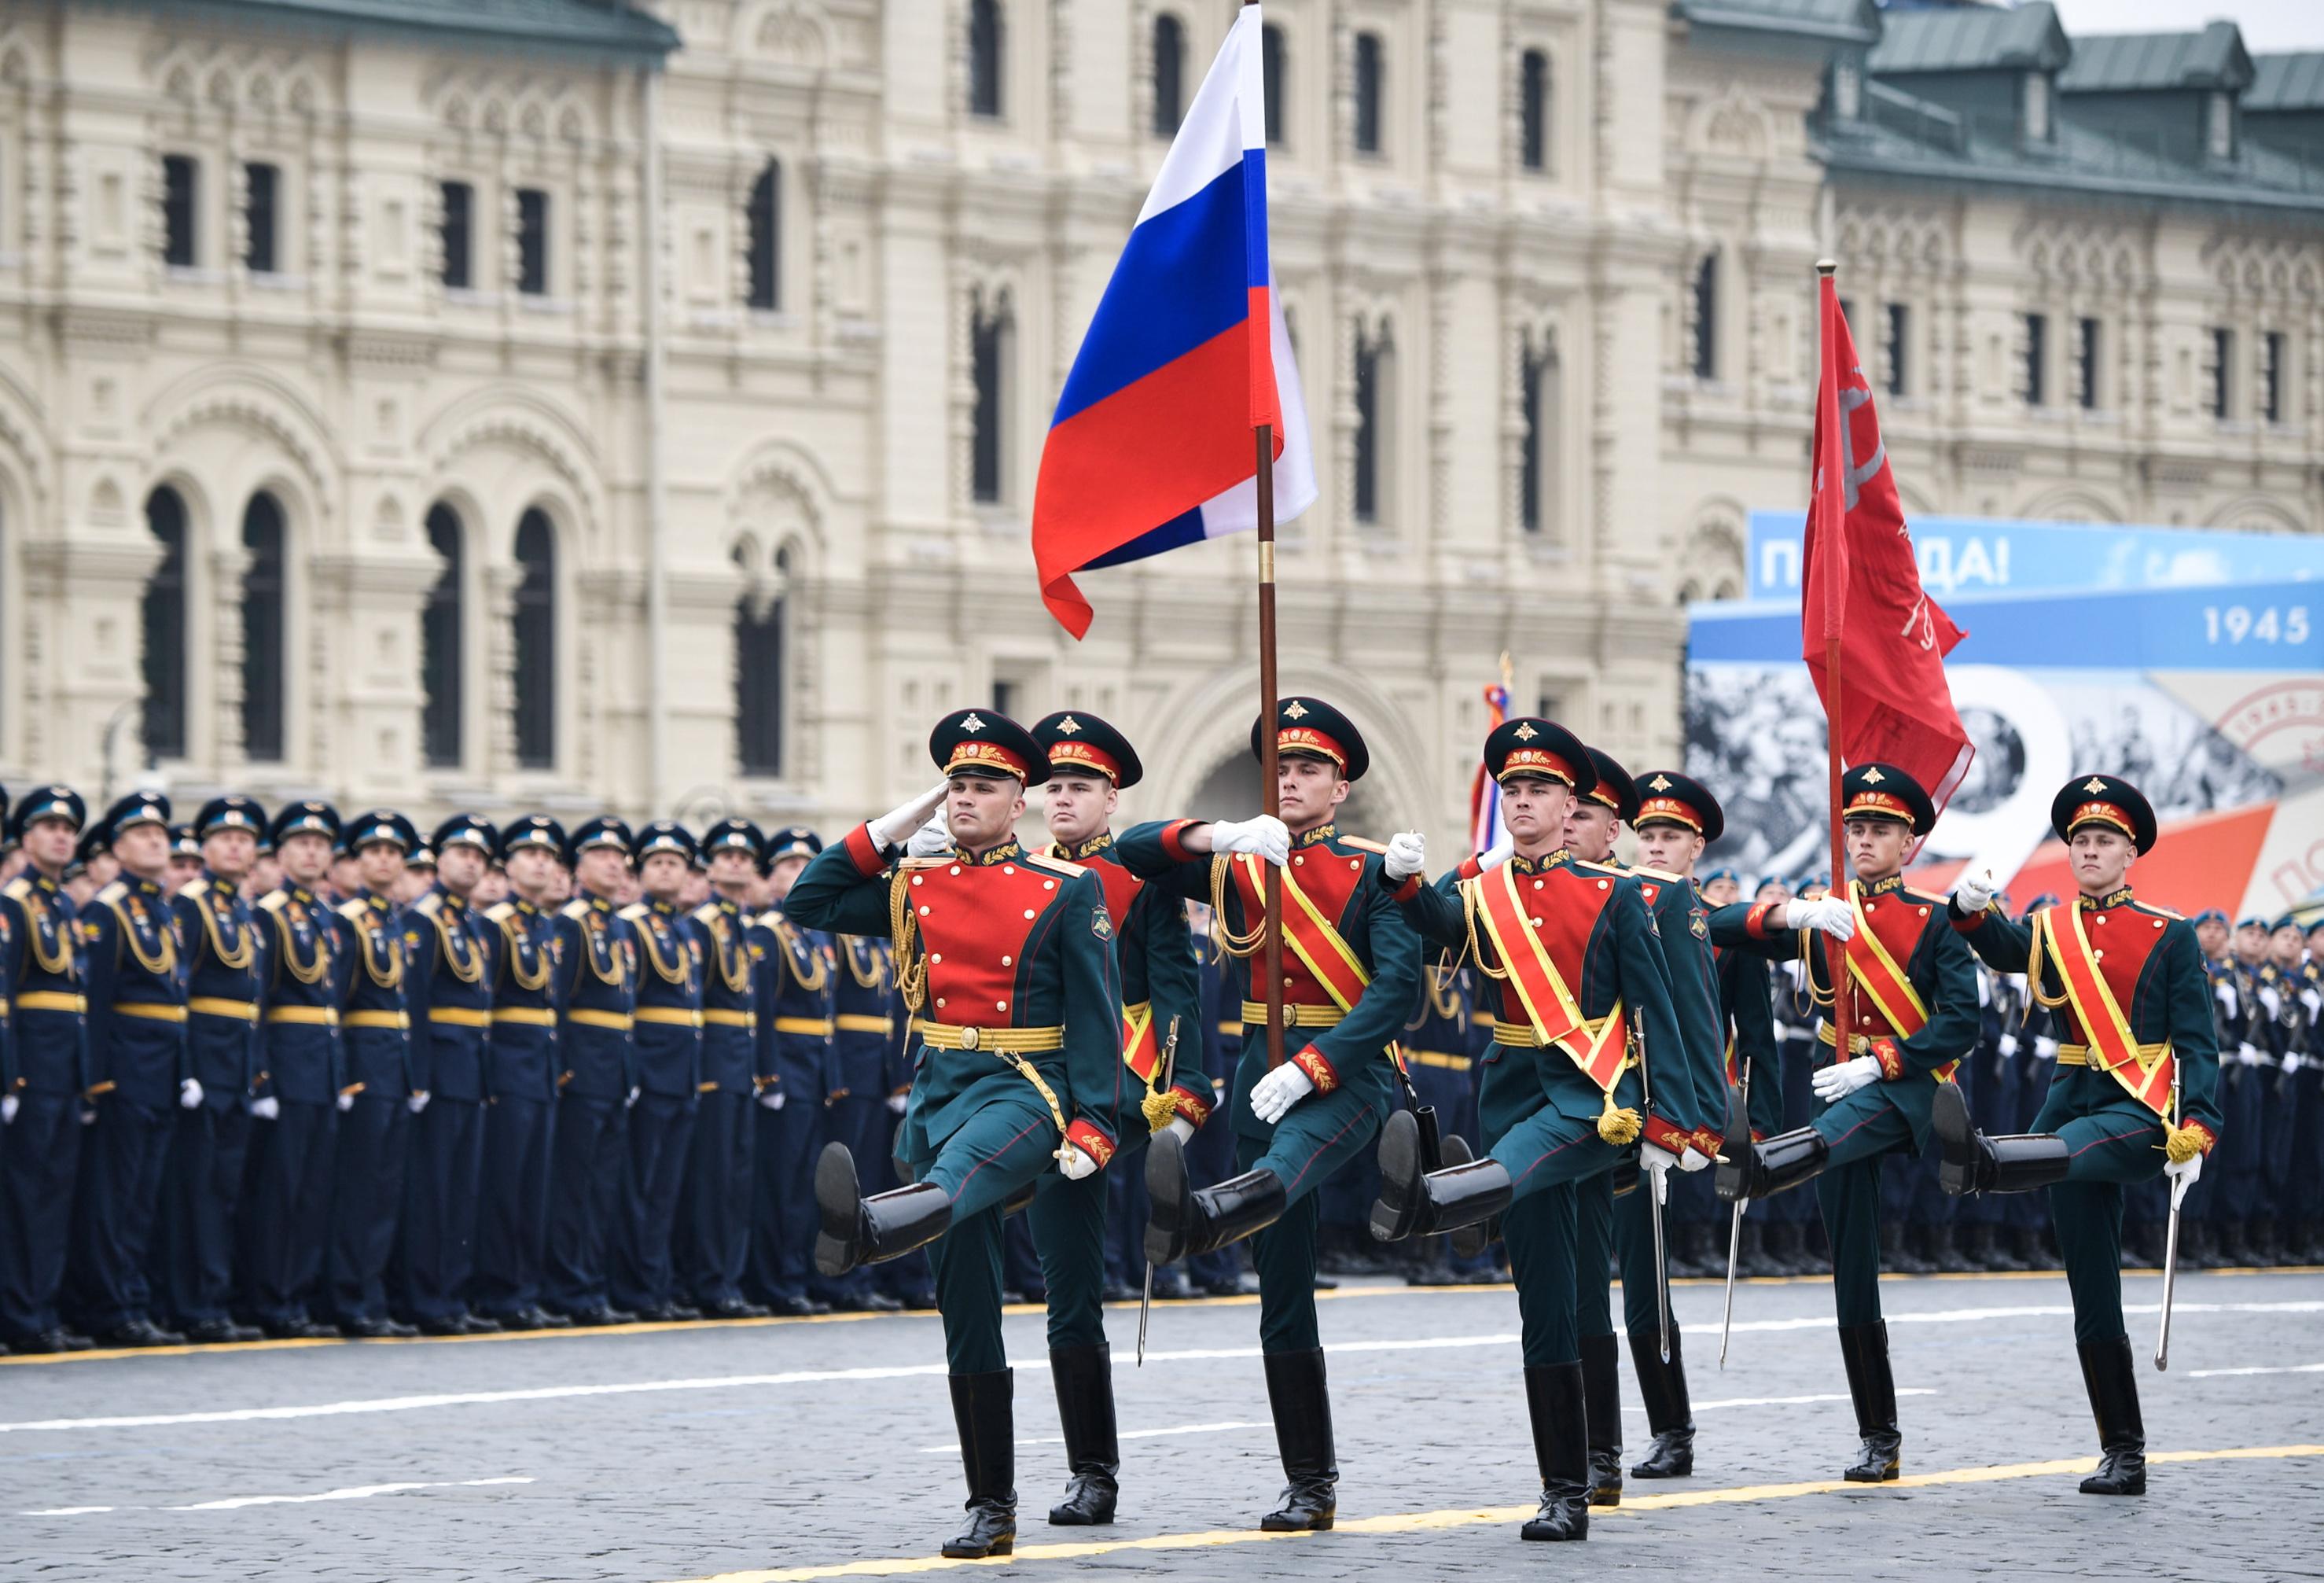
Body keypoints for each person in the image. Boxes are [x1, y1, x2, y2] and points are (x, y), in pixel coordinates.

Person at [789, 709, 1123, 1561]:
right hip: (941, 1089)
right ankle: (990, 1505)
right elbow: (812, 897)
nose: (967, 798)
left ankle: (867, 1230)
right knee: (964, 1308)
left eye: (985, 787)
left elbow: (1096, 1015)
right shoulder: (917, 885)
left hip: (1029, 1087)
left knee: (975, 1187)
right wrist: (903, 821)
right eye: (958, 785)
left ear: (1022, 803)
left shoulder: (1065, 888)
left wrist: (1095, 1120)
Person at [1364, 720, 1701, 1544]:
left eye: (1539, 790)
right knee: (1553, 1295)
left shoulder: (1616, 894)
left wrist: (1673, 1121)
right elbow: (1447, 930)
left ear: (1569, 804)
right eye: (1511, 790)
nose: (1522, 801)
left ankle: (1434, 1200)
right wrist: (1407, 887)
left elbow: (1664, 1010)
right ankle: (1578, 1476)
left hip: (1591, 1097)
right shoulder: (1482, 890)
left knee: (1518, 1168)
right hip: (1510, 1084)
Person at [1120, 696, 1421, 1535]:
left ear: (1341, 785)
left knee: (1279, 1173)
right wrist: (1222, 836)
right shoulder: (1242, 863)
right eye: (1281, 769)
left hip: (1345, 1073)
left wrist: (1315, 1065)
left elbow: (1396, 989)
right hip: (1261, 1069)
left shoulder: (1371, 870)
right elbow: (1130, 849)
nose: (1291, 781)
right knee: (1281, 1290)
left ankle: (1199, 1217)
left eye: (1309, 770)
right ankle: (1309, 1482)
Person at [1934, 776, 2221, 1496]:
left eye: (2104, 841)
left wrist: (2200, 1127)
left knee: (2077, 1147)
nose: (2090, 850)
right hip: (2067, 1101)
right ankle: (2123, 1450)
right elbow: (2002, 947)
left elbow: (2199, 1042)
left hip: (2138, 1106)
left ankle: (1983, 1161)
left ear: (2130, 853)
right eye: (2081, 841)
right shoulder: (2052, 927)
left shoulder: (2170, 932)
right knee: (2092, 1292)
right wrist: (1968, 909)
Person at [1712, 763, 1978, 1483]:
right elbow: (1716, 927)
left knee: (1838, 1133)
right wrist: (1791, 915)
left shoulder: (1934, 919)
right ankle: (1879, 1435)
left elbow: (1962, 1021)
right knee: (1852, 1272)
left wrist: (1884, 1060)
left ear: (1909, 841)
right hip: (1838, 1090)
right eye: (1855, 827)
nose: (1864, 839)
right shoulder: (1825, 911)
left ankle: (1761, 1166)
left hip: (1909, 1088)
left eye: (1880, 829)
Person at [1022, 709, 1208, 1526]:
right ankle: (1091, 1472)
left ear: (1110, 800)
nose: (1062, 798)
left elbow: (1174, 983)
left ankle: (1184, 1215)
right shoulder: (1017, 873)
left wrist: (1186, 1088)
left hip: (1126, 1077)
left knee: (1102, 1216)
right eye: (1052, 785)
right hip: (1039, 1079)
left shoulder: (1140, 877)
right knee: (1068, 1289)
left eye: (1080, 787)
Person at [1557, 749, 1724, 1508]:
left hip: (1633, 1114)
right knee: (1583, 1288)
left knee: (1642, 1287)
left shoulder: (1658, 904)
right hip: (1568, 1107)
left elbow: (1690, 1018)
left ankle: (1670, 1426)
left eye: (1583, 815)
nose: (1569, 826)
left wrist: (1689, 1123)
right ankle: (1599, 1443)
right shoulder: (1560, 892)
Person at [1625, 768, 1781, 1478]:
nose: (1655, 847)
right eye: (1647, 834)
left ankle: (1671, 1427)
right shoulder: (1612, 902)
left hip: (1680, 1117)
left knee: (1644, 1277)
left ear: (1695, 850)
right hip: (1610, 1105)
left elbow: (1756, 1038)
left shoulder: (1721, 932)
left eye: (1671, 837)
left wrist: (1757, 1135)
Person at [64, 792, 188, 1347]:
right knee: (116, 1195)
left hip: (161, 1069)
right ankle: (109, 1304)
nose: (156, 840)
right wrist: (98, 1078)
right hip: (127, 1068)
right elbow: (96, 1000)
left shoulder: (160, 907)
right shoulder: (108, 908)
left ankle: (131, 1297)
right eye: (141, 834)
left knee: (143, 1196)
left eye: (160, 832)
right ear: (117, 848)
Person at [154, 795, 269, 1344]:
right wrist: (188, 1067)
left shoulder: (241, 909)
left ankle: (213, 1297)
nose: (236, 846)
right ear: (204, 848)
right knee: (196, 1189)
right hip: (206, 1062)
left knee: (224, 1189)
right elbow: (180, 991)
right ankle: (192, 1302)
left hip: (237, 1065)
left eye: (245, 839)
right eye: (225, 838)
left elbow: (254, 999)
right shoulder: (192, 905)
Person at [238, 801, 347, 1339]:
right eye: (302, 843)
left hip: (323, 1069)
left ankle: (297, 1295)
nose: (312, 851)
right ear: (281, 854)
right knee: (280, 1190)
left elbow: (336, 1005)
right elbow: (258, 1001)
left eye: (321, 844)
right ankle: (271, 1297)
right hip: (288, 1066)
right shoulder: (269, 912)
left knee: (312, 1191)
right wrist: (262, 1075)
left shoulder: (328, 918)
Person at [0, 786, 96, 1354]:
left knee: (54, 1194)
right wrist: (11, 1075)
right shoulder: (15, 901)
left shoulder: (60, 904)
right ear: (26, 837)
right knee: (25, 1194)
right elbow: (7, 996)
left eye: (68, 827)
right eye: (49, 826)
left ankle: (40, 1307)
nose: (61, 835)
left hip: (63, 1072)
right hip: (33, 1071)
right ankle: (19, 1312)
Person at [396, 812, 498, 1336]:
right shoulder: (424, 917)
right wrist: (417, 1077)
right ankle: (426, 1295)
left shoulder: (474, 922)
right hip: (438, 1070)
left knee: (462, 1191)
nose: (472, 861)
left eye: (480, 856)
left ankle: (451, 1294)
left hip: (470, 1071)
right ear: (439, 859)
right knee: (432, 1192)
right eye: (462, 852)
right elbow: (413, 1001)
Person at [325, 811, 420, 1338]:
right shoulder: (349, 918)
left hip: (394, 1066)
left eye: (393, 852)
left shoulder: (398, 919)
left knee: (386, 1189)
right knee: (360, 1188)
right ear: (357, 862)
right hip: (364, 1064)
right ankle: (349, 1296)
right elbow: (335, 1002)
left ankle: (373, 1292)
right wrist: (343, 1074)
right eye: (374, 851)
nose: (385, 859)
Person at [543, 817, 639, 1327]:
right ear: (579, 865)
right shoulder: (572, 921)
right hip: (582, 1074)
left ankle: (590, 1281)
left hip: (614, 1074)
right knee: (574, 1186)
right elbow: (560, 1004)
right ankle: (568, 1285)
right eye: (601, 854)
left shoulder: (618, 924)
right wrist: (563, 1073)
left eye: (618, 854)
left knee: (600, 1187)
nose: (614, 862)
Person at [473, 815, 567, 1331]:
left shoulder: (547, 926)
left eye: (548, 856)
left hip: (541, 1066)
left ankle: (524, 1288)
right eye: (529, 854)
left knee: (533, 1186)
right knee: (505, 1186)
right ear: (506, 866)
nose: (540, 863)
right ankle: (499, 1289)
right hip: (508, 1066)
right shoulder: (493, 923)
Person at [678, 818, 772, 1320]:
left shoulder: (741, 926)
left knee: (736, 1182)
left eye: (744, 857)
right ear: (710, 867)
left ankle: (729, 1279)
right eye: (725, 856)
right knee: (713, 1183)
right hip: (714, 1069)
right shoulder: (698, 925)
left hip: (741, 1070)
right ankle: (711, 1281)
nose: (736, 863)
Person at [613, 820, 706, 1321]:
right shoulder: (631, 925)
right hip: (650, 1072)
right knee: (641, 1186)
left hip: (683, 1074)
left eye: (676, 863)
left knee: (668, 1188)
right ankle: (637, 1287)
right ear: (642, 873)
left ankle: (658, 1283)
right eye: (657, 863)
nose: (668, 870)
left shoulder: (687, 930)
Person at [750, 826, 840, 1316]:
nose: (798, 872)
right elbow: (761, 1013)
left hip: (814, 1076)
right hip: (786, 1071)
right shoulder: (767, 932)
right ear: (770, 880)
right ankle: (777, 1280)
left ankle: (798, 1274)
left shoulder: (812, 936)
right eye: (787, 866)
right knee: (781, 1184)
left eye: (807, 864)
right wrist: (769, 1076)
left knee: (807, 1184)